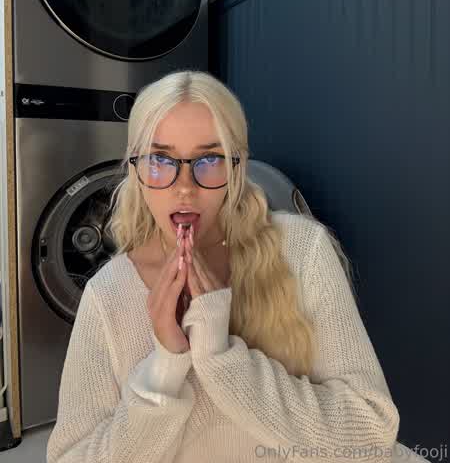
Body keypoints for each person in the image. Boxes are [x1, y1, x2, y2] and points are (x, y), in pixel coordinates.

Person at [47, 69, 400, 463]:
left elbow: (372, 436)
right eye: (160, 159)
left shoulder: (303, 251)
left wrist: (220, 356)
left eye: (209, 159)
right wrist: (163, 368)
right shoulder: (107, 294)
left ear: (237, 167)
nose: (185, 187)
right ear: (137, 170)